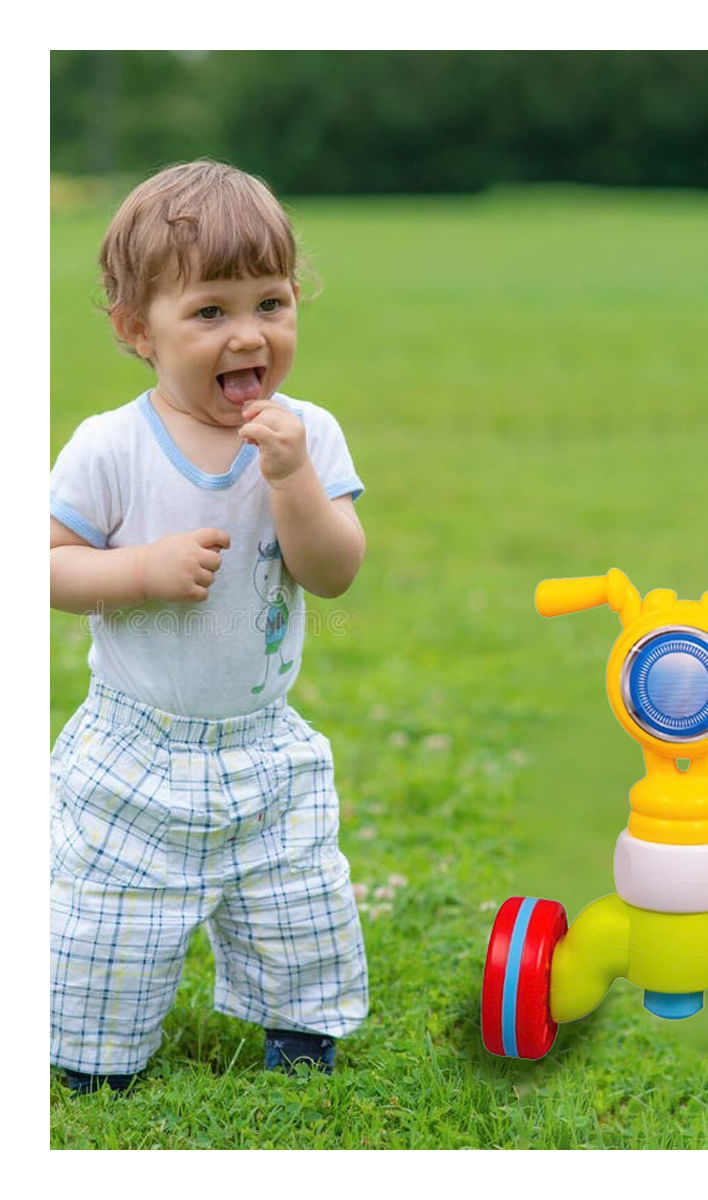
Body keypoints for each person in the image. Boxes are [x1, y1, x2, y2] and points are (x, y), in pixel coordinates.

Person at [49, 161, 369, 1094]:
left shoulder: (304, 434)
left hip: (265, 745)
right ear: (136, 331)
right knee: (111, 916)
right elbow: (42, 563)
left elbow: (334, 571)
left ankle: (301, 1032)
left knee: (298, 896)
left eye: (271, 303)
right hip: (134, 747)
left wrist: (293, 482)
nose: (249, 336)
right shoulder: (109, 446)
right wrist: (138, 572)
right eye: (210, 313)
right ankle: (95, 1056)